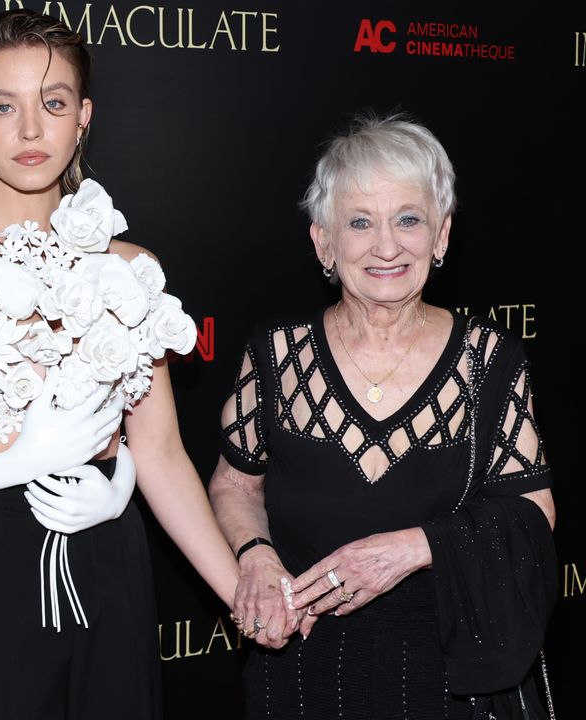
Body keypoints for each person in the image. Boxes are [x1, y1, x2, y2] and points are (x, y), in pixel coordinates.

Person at [0, 10, 239, 719]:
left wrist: (241, 595)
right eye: (2, 107)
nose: (31, 130)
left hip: (111, 561)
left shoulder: (132, 268)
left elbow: (160, 450)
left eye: (54, 102)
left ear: (84, 118)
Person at [209, 114, 557, 719]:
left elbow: (533, 516)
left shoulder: (490, 359)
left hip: (452, 672)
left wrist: (414, 548)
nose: (387, 246)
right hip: (300, 658)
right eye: (360, 223)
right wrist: (255, 554)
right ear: (323, 242)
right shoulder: (274, 356)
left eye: (409, 220)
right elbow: (234, 484)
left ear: (441, 235)